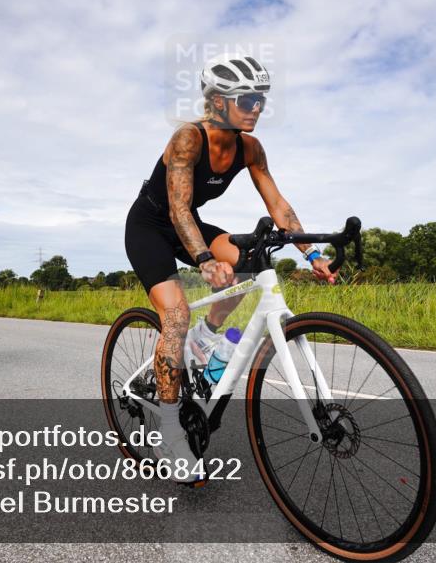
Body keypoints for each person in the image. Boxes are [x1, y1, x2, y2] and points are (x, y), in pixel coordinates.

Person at [124, 53, 334, 479]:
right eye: (249, 98)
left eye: (261, 99)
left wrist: (311, 254)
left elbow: (278, 205)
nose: (257, 107)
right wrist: (203, 259)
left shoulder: (250, 148)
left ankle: (204, 340)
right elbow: (179, 208)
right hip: (151, 225)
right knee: (177, 315)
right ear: (218, 101)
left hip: (191, 222)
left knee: (252, 262)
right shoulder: (189, 138)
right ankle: (169, 432)